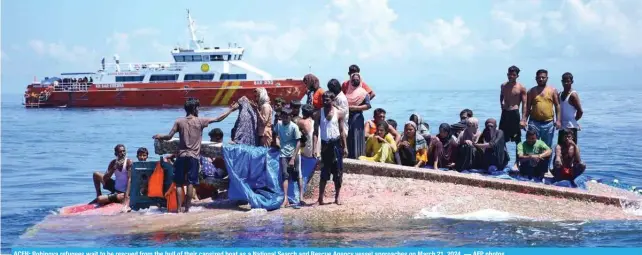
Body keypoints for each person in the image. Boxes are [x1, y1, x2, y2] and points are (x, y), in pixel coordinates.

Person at [153, 98, 236, 213]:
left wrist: (159, 136)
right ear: (195, 108)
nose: (199, 109)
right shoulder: (200, 121)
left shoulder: (179, 121)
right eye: (198, 107)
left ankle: (178, 210)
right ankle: (187, 208)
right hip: (194, 157)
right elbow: (218, 119)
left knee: (178, 184)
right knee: (190, 183)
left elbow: (169, 136)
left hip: (181, 156)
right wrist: (231, 110)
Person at [313, 91, 348, 205]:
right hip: (325, 146)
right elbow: (315, 132)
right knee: (324, 172)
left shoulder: (339, 113)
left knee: (338, 172)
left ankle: (337, 197)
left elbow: (342, 131)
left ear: (333, 101)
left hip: (336, 144)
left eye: (328, 99)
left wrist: (345, 146)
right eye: (324, 99)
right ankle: (320, 198)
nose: (325, 101)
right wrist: (315, 148)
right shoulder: (318, 114)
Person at [524, 69, 561, 150]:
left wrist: (558, 120)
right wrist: (524, 120)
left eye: (543, 77)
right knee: (532, 146)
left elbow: (557, 105)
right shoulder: (531, 91)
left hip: (548, 124)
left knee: (547, 147)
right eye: (539, 77)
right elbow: (527, 107)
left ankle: (546, 163)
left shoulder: (553, 90)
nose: (541, 79)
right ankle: (532, 162)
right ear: (536, 78)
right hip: (534, 123)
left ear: (547, 78)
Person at [499, 66, 527, 170]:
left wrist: (523, 119)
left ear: (517, 76)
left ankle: (517, 162)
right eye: (510, 74)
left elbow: (524, 104)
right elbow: (501, 96)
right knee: (501, 138)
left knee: (517, 139)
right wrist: (501, 105)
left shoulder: (521, 87)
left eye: (514, 75)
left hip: (515, 114)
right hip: (505, 113)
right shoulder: (503, 85)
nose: (511, 76)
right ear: (507, 74)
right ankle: (504, 160)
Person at [91, 144, 133, 212]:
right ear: (115, 153)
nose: (122, 153)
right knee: (96, 174)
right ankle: (98, 194)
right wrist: (114, 168)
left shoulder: (129, 162)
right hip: (115, 187)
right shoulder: (113, 162)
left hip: (123, 193)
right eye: (120, 152)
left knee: (100, 199)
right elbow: (105, 178)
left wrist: (127, 196)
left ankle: (102, 199)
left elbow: (130, 179)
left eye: (124, 151)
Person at [275, 108, 303, 208]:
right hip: (283, 154)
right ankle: (285, 198)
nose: (285, 119)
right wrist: (277, 142)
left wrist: (293, 158)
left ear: (290, 117)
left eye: (287, 117)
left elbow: (298, 142)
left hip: (294, 153)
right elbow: (276, 135)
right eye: (283, 117)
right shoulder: (278, 124)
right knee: (285, 175)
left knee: (298, 175)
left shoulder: (294, 127)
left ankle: (301, 197)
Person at [345, 73, 372, 159]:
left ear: (360, 80)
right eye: (353, 80)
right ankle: (349, 155)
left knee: (356, 136)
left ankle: (358, 156)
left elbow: (368, 106)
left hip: (357, 117)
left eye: (357, 79)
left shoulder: (363, 93)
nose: (355, 81)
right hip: (347, 117)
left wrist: (356, 108)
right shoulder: (347, 92)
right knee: (348, 136)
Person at [558, 72, 583, 145]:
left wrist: (574, 120)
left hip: (571, 127)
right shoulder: (560, 94)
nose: (566, 83)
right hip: (562, 127)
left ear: (572, 82)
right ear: (562, 82)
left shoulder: (573, 95)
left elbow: (580, 111)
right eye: (564, 81)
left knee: (571, 150)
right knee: (560, 149)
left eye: (568, 81)